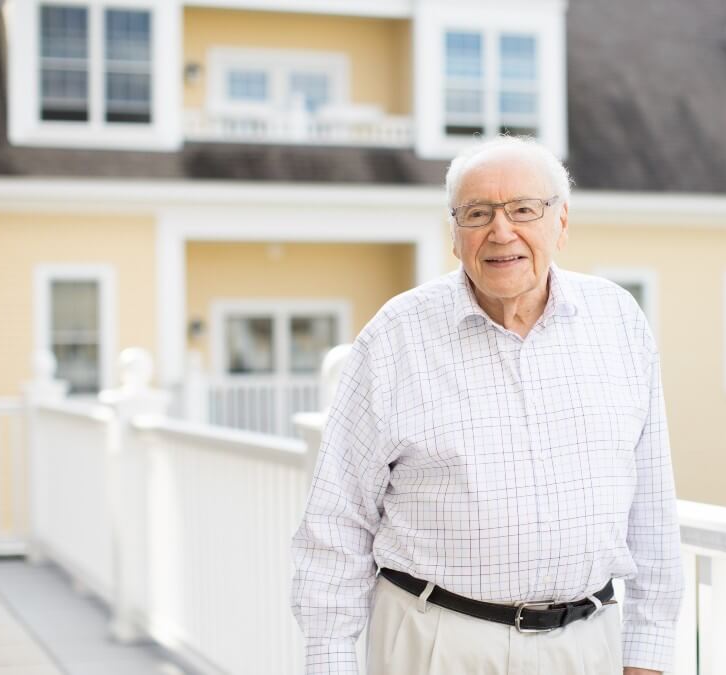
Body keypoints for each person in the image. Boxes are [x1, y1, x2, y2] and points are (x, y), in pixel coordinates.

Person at [290, 136, 683, 675]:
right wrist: (330, 661)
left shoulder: (618, 321)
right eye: (478, 213)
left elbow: (653, 505)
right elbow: (337, 519)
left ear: (561, 223)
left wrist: (647, 650)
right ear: (455, 235)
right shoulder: (395, 337)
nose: (502, 232)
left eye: (524, 209)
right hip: (438, 644)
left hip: (589, 647)